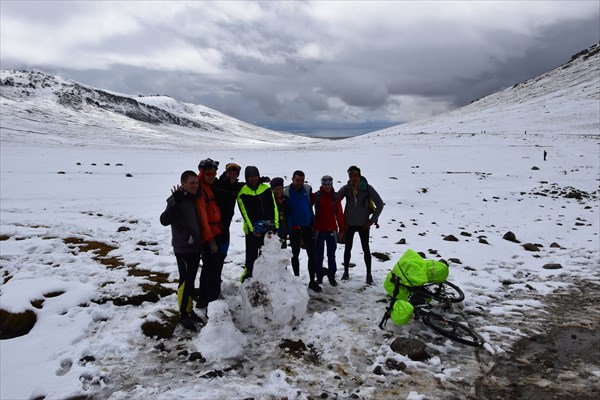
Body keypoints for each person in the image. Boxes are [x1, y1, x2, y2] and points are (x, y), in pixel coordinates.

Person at [159, 170, 205, 331]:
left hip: (194, 247)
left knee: (191, 280)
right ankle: (183, 315)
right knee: (185, 281)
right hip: (183, 248)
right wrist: (174, 203)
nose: (195, 185)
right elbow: (164, 220)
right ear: (183, 183)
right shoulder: (177, 199)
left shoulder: (193, 198)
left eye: (196, 182)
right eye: (191, 183)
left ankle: (189, 310)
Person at [338, 165, 384, 285]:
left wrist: (372, 220)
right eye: (350, 176)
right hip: (349, 224)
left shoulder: (367, 188)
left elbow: (380, 204)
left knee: (366, 249)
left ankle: (369, 275)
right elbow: (335, 200)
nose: (353, 178)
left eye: (355, 176)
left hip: (364, 224)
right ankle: (346, 272)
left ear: (359, 176)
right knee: (348, 248)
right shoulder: (346, 189)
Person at [237, 166, 279, 282]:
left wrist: (275, 225)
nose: (253, 179)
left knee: (265, 255)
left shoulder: (266, 188)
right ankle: (246, 280)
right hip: (252, 231)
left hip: (268, 228)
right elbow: (245, 213)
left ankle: (264, 279)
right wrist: (253, 229)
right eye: (250, 177)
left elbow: (273, 207)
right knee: (251, 257)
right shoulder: (242, 192)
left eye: (255, 176)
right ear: (246, 178)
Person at [195, 158, 224, 310]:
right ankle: (211, 302)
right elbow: (203, 218)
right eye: (209, 173)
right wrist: (210, 239)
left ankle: (203, 297)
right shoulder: (200, 190)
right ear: (202, 172)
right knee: (212, 268)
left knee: (208, 267)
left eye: (214, 173)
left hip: (215, 232)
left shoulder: (208, 186)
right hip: (209, 236)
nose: (212, 176)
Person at [284, 170, 319, 292]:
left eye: (302, 181)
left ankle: (312, 281)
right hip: (294, 228)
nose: (299, 183)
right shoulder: (286, 192)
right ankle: (297, 280)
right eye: (297, 180)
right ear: (292, 179)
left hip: (307, 227)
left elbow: (311, 205)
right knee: (295, 254)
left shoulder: (307, 190)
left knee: (312, 254)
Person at [311, 175, 345, 287]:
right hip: (319, 230)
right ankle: (319, 276)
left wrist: (341, 229)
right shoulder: (316, 196)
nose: (327, 186)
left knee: (332, 254)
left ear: (332, 184)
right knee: (318, 255)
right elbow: (307, 208)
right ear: (322, 184)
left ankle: (331, 276)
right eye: (324, 184)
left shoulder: (336, 197)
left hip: (332, 230)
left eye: (329, 184)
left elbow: (339, 214)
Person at [213, 163, 245, 260]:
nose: (232, 175)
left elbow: (250, 184)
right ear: (226, 173)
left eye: (235, 174)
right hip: (214, 225)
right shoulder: (217, 184)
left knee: (223, 254)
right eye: (230, 173)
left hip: (226, 225)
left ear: (238, 175)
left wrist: (261, 179)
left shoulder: (237, 187)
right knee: (213, 256)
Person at [270, 177, 289, 248]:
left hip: (283, 232)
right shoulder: (269, 201)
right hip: (271, 234)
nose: (278, 191)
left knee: (282, 254)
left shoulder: (285, 200)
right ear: (272, 190)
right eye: (276, 189)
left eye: (280, 188)